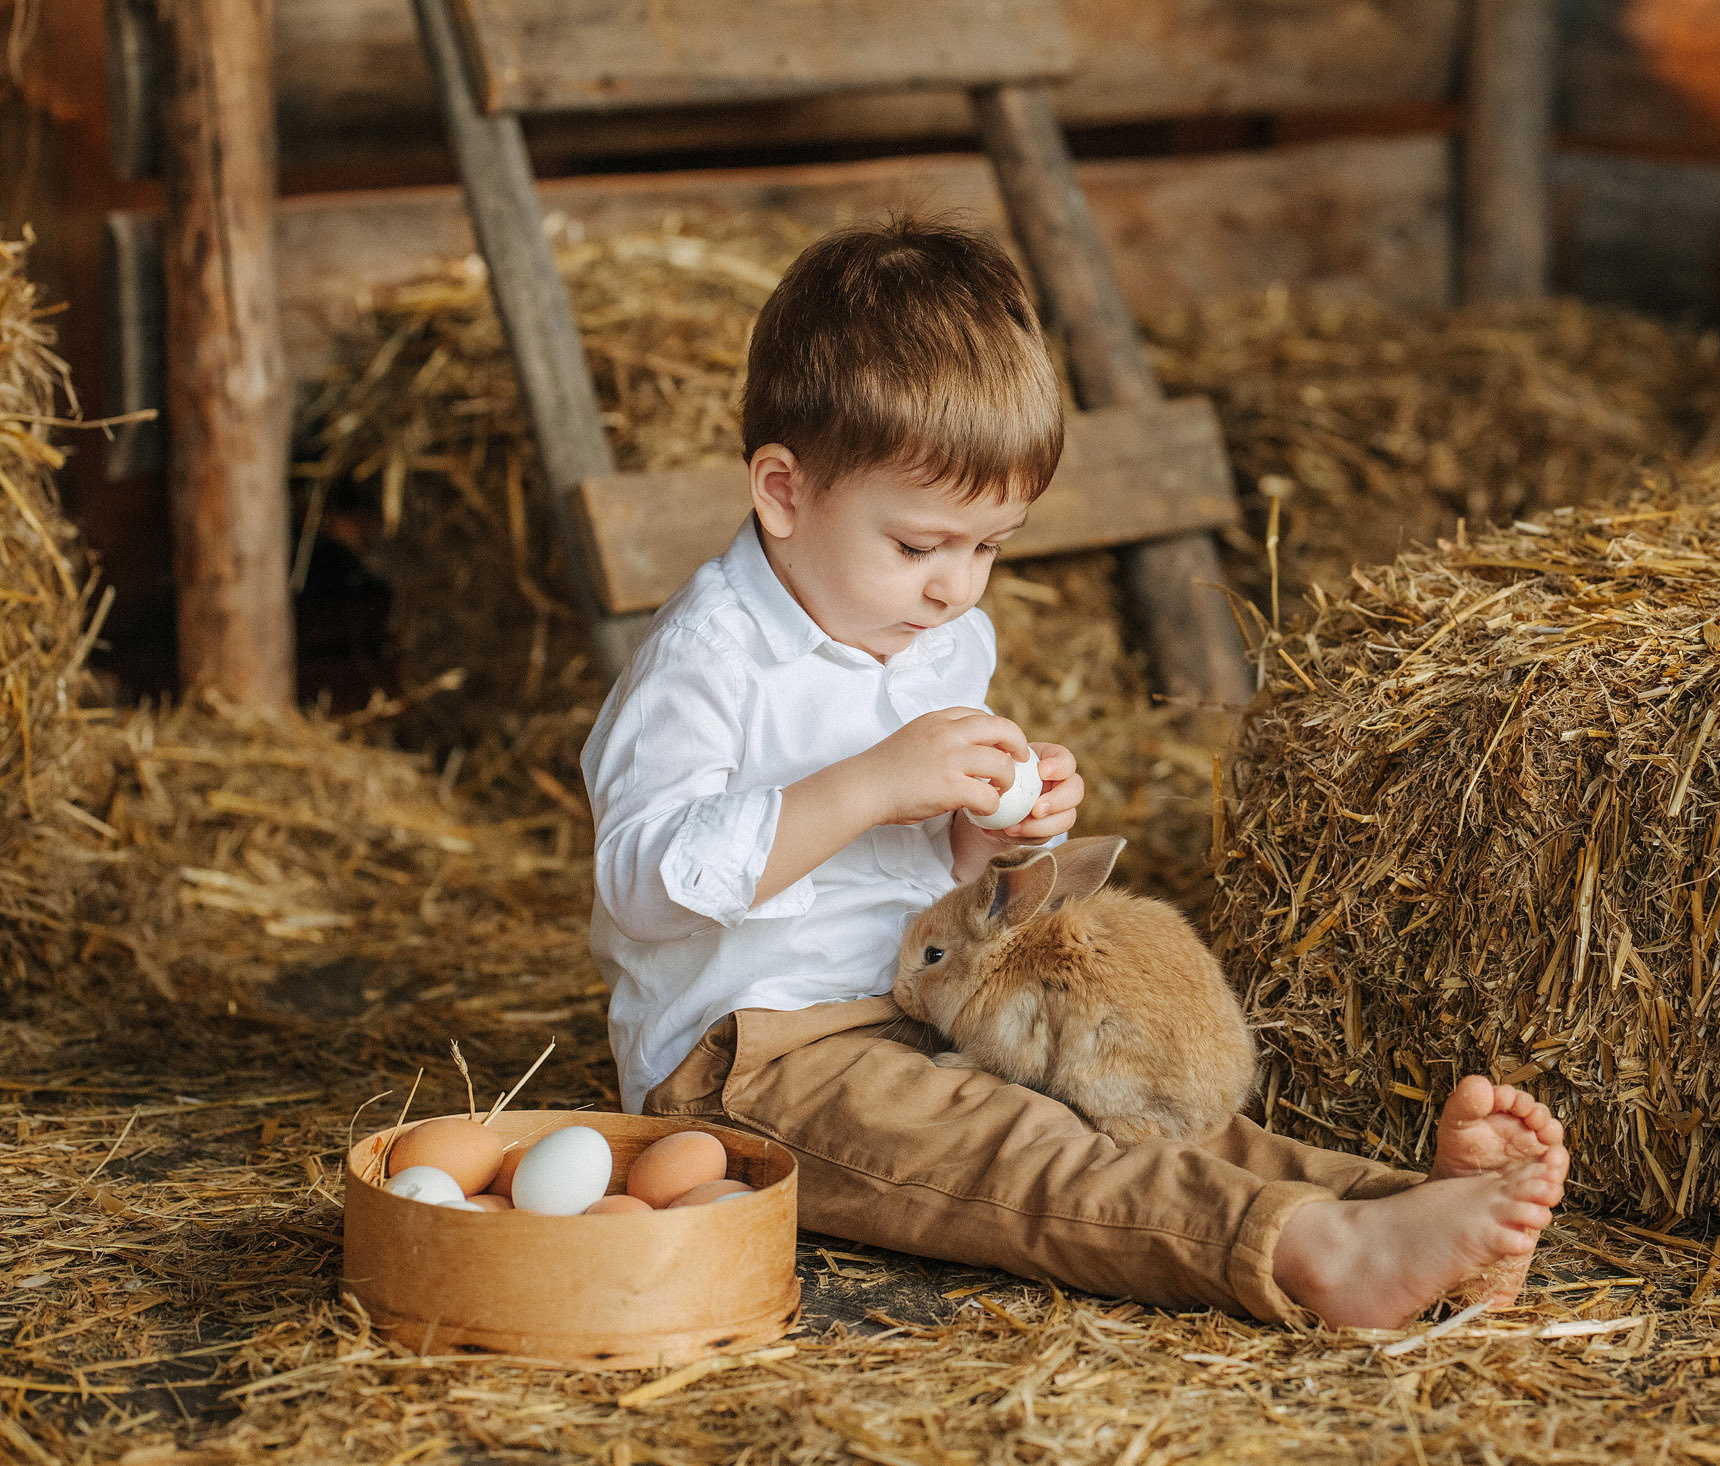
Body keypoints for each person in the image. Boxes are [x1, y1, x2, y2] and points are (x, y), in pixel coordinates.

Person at [581, 215, 1568, 1328]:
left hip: (938, 993)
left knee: (1144, 1109)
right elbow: (641, 880)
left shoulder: (939, 634)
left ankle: (1401, 1202)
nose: (957, 585)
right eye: (919, 546)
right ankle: (1310, 1250)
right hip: (757, 1055)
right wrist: (864, 784)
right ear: (783, 492)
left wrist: (995, 834)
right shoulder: (704, 663)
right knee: (1029, 1155)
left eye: (990, 546)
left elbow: (922, 863)